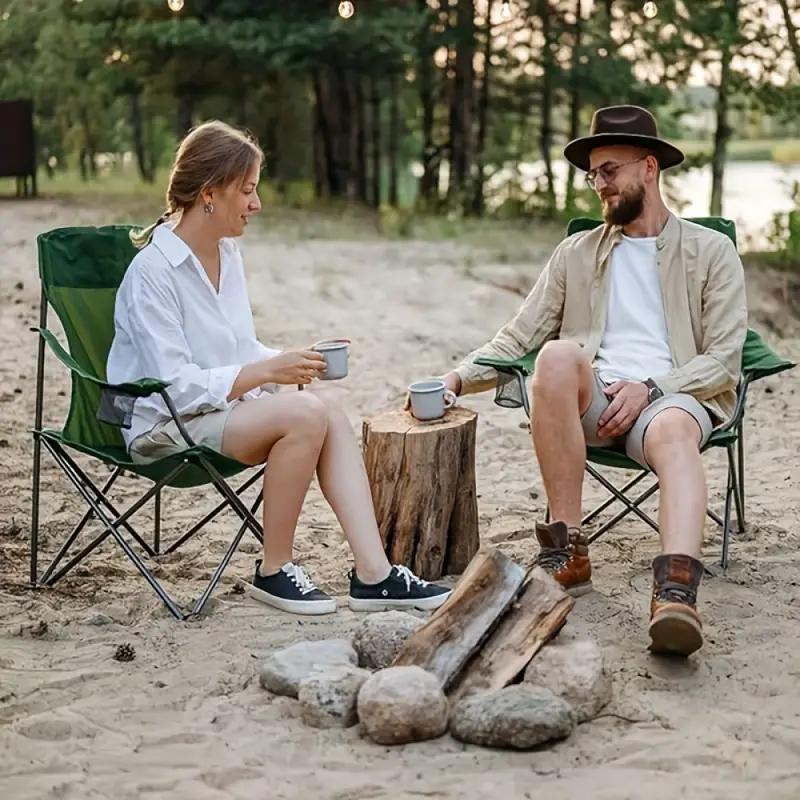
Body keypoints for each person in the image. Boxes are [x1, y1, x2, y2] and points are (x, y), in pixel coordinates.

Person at [426, 105, 748, 657]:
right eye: (592, 173)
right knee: (553, 356)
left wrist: (652, 386)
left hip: (668, 400)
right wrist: (455, 379)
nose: (598, 184)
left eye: (610, 170)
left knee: (673, 431)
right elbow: (519, 337)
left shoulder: (710, 251)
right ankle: (567, 551)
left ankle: (676, 593)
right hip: (592, 401)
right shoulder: (576, 253)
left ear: (649, 168)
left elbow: (724, 358)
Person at [107, 120, 451, 616]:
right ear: (209, 193)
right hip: (161, 423)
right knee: (304, 416)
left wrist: (290, 361)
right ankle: (273, 568)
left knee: (326, 408)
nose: (257, 203)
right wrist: (269, 374)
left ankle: (374, 575)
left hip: (215, 410)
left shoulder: (227, 252)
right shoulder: (153, 274)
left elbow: (236, 349)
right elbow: (175, 388)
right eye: (247, 190)